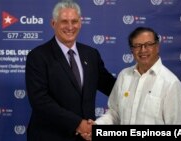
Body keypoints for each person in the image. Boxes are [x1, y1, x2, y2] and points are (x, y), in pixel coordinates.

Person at [25, 0, 116, 141]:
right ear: (53, 24)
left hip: (85, 137)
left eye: (74, 21)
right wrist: (78, 124)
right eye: (64, 21)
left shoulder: (91, 54)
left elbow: (111, 86)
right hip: (50, 136)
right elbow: (40, 101)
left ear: (80, 23)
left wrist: (139, 81)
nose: (70, 27)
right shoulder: (38, 56)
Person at [95, 26, 181, 125]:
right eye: (137, 45)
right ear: (132, 50)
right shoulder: (124, 76)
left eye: (148, 44)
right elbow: (114, 113)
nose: (143, 50)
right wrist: (96, 126)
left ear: (157, 47)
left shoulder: (171, 84)